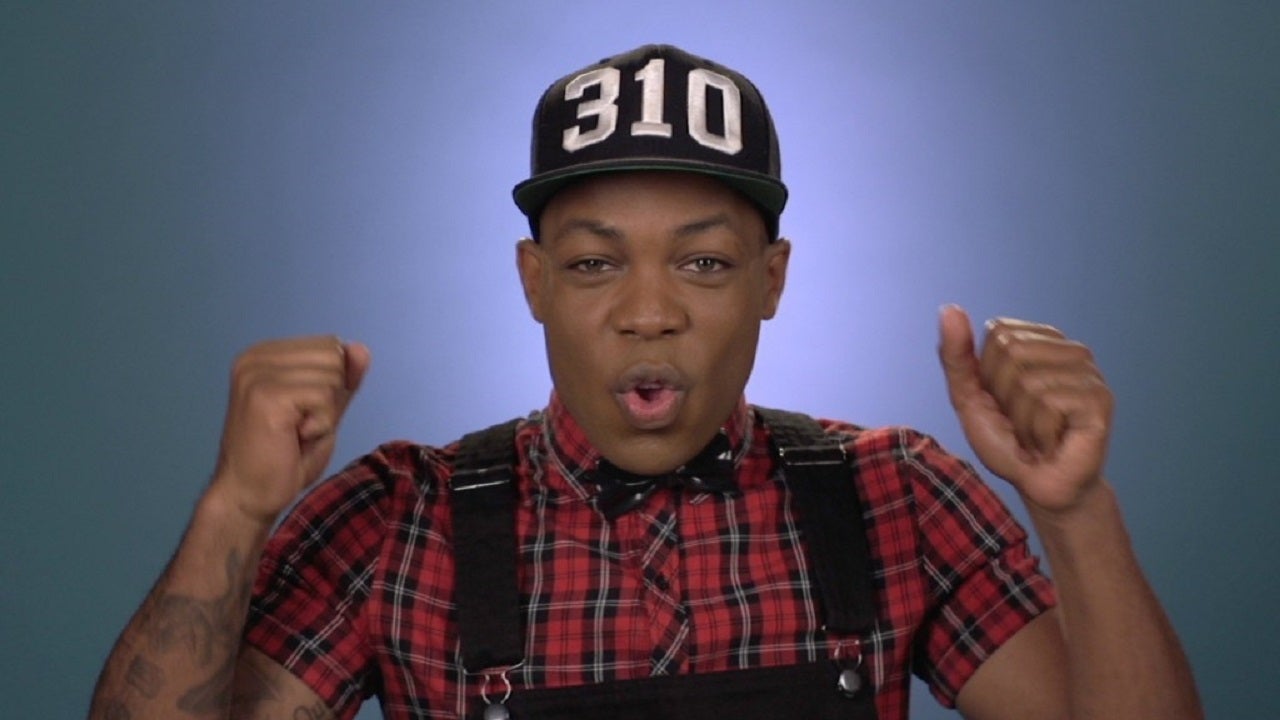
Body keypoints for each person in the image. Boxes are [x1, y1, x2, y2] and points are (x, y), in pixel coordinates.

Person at [89, 44, 1202, 720]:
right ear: (533, 282)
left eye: (703, 263)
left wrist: (1075, 510)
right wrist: (233, 511)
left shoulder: (892, 495)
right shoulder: (399, 523)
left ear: (771, 281)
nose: (648, 310)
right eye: (594, 264)